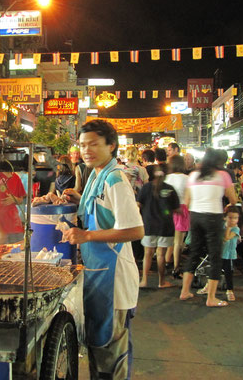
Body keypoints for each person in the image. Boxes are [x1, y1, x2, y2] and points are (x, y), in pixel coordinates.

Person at [62, 120, 144, 379]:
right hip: (98, 274)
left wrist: (86, 235)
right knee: (99, 349)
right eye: (83, 145)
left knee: (111, 355)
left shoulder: (115, 178)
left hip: (115, 278)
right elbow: (102, 209)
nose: (87, 150)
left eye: (94, 144)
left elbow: (135, 230)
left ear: (111, 146)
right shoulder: (96, 174)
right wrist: (75, 198)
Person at [179, 148, 237, 307]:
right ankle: (211, 298)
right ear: (219, 162)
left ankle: (185, 291)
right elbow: (233, 198)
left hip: (195, 216)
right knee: (215, 255)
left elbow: (187, 201)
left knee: (194, 253)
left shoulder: (194, 175)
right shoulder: (223, 175)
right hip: (213, 217)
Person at [137, 163, 180, 288]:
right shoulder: (170, 189)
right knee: (161, 254)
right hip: (165, 226)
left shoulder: (146, 187)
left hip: (148, 224)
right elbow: (177, 209)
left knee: (148, 254)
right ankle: (161, 281)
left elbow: (138, 205)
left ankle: (144, 280)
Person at [198, 206, 240, 301]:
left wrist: (228, 228)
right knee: (214, 271)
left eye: (235, 218)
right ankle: (208, 287)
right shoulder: (221, 226)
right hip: (218, 253)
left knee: (228, 273)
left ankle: (230, 291)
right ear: (225, 217)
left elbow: (226, 238)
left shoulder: (235, 229)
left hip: (228, 255)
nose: (233, 220)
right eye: (230, 217)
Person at [0, 169, 26, 245]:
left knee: (19, 255)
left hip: (15, 228)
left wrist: (14, 199)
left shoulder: (16, 177)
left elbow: (21, 200)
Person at [165, 155, 190, 278]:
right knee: (178, 242)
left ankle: (166, 261)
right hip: (182, 209)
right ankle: (176, 268)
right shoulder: (187, 178)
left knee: (169, 239)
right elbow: (189, 197)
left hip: (168, 210)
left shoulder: (167, 178)